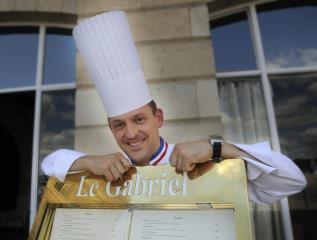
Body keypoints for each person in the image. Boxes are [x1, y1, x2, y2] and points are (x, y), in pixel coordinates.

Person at [41, 11, 306, 205]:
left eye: (139, 119)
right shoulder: (110, 174)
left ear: (158, 118)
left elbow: (293, 180)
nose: (130, 133)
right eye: (119, 124)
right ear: (110, 129)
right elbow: (49, 164)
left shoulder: (207, 167)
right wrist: (88, 161)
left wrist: (217, 148)